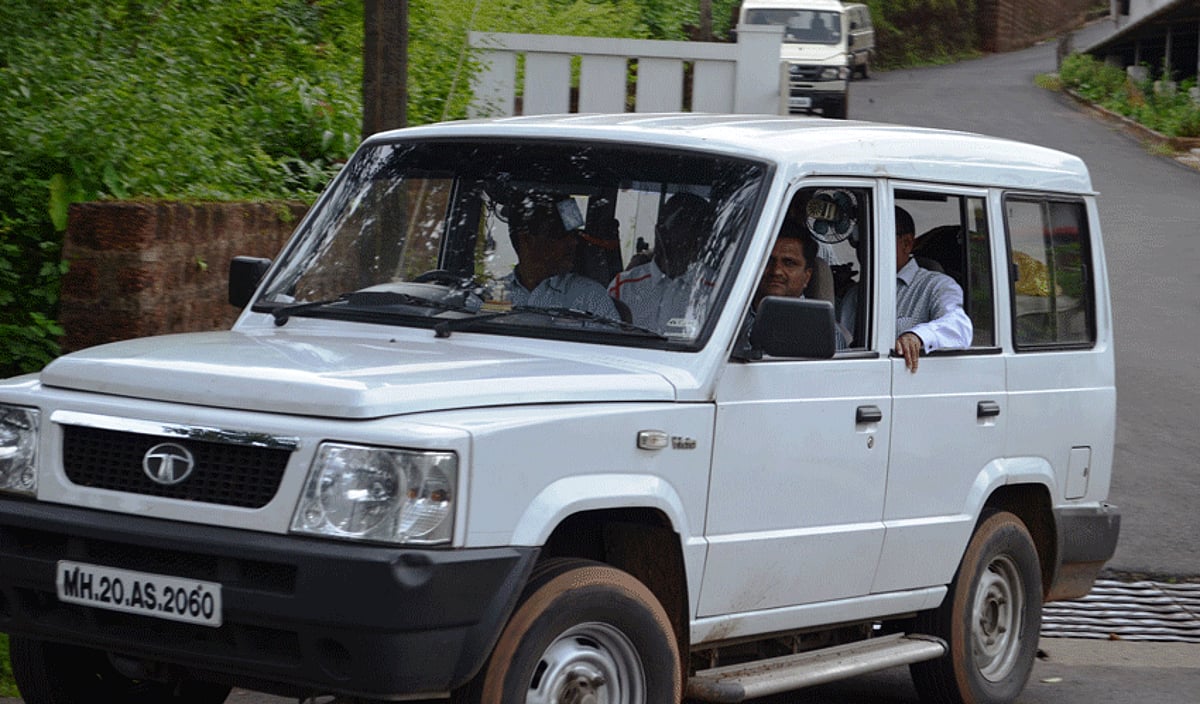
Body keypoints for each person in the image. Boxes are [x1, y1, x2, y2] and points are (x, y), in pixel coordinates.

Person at [842, 206, 972, 372]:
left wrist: (918, 336)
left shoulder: (936, 286)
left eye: (876, 237)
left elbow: (959, 328)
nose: (864, 246)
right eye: (860, 239)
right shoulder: (855, 294)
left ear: (907, 243)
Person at [609, 192, 715, 335]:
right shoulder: (623, 285)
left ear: (701, 240)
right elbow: (602, 339)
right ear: (657, 231)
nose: (665, 237)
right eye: (664, 228)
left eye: (689, 232)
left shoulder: (719, 290)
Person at [503, 193, 620, 320]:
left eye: (574, 234)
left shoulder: (592, 298)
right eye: (560, 234)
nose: (573, 242)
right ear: (526, 240)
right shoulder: (494, 295)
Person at [741, 221, 846, 354]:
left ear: (807, 276)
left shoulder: (823, 332)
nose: (776, 271)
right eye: (768, 260)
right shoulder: (729, 317)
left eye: (789, 263)